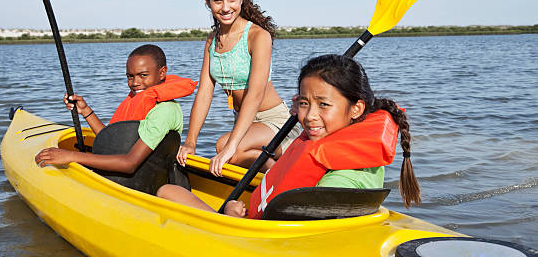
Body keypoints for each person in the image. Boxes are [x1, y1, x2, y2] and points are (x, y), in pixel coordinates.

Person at [158, 54, 421, 218]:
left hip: (254, 236)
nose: (310, 116)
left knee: (167, 192)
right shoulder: (328, 137)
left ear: (356, 109)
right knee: (169, 189)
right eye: (304, 103)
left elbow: (286, 234)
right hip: (263, 214)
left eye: (324, 105)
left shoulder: (343, 181)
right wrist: (310, 104)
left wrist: (232, 216)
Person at [177, 0, 302, 177]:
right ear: (207, 1)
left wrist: (231, 145)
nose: (226, 7)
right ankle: (280, 175)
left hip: (275, 122)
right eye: (218, 0)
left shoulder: (258, 36)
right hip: (246, 124)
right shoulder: (212, 40)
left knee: (223, 145)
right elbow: (204, 93)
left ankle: (286, 175)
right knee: (230, 152)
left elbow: (255, 94)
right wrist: (190, 142)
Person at [35, 44, 197, 175]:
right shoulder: (138, 100)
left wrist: (70, 156)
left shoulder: (164, 111)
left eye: (143, 75)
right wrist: (85, 111)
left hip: (143, 180)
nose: (135, 82)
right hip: (132, 176)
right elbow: (114, 143)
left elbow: (129, 164)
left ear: (162, 73)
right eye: (130, 76)